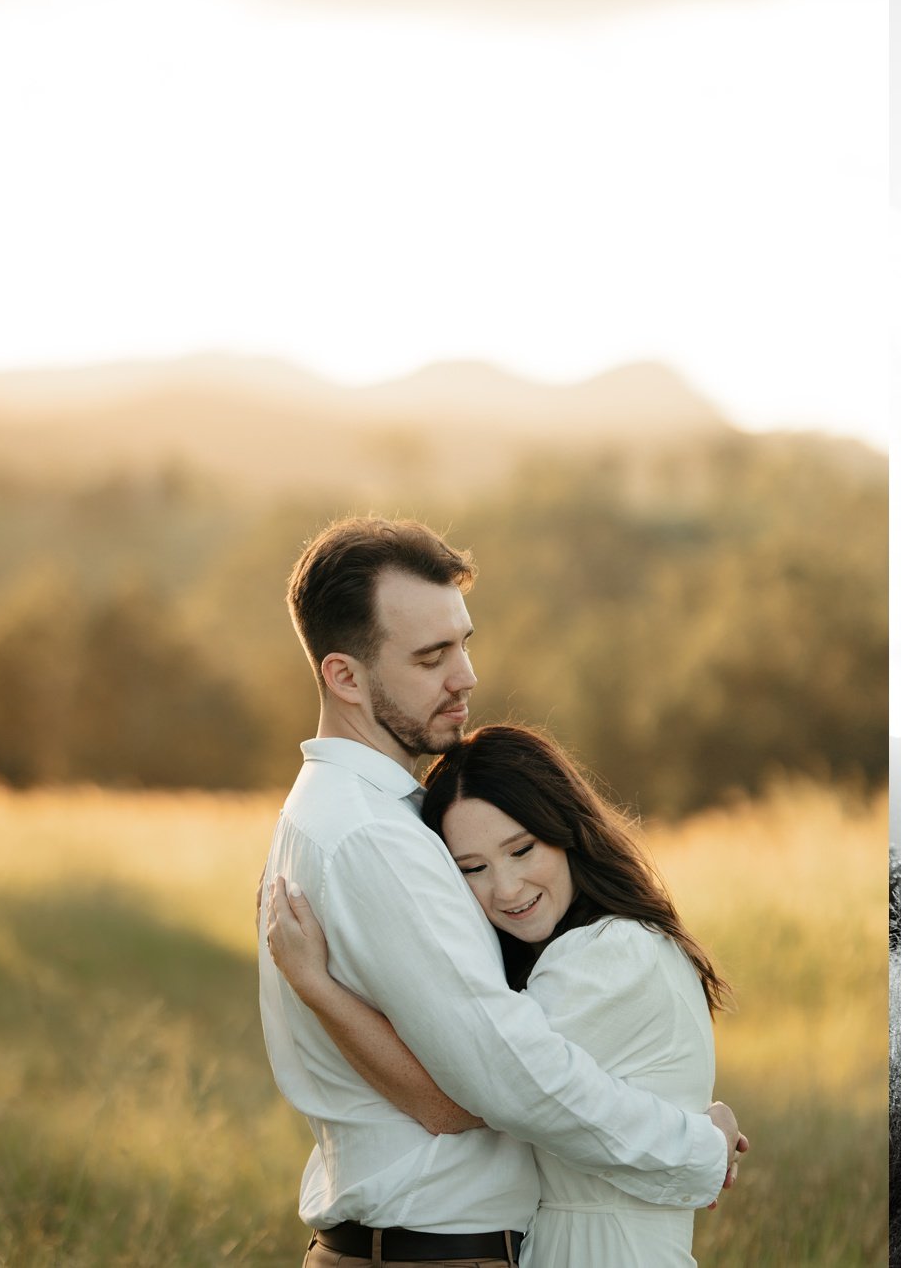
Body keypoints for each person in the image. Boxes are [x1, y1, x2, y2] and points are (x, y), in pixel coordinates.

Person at [257, 516, 744, 1267]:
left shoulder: (333, 814)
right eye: (430, 657)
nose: (465, 677)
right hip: (432, 1250)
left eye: (463, 643)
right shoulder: (375, 838)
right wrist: (696, 1145)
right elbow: (494, 1080)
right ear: (344, 676)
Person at [271, 723, 728, 1266]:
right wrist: (704, 1142)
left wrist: (318, 987)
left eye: (522, 850)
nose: (506, 889)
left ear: (567, 829)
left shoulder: (609, 952)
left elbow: (469, 1095)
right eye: (473, 869)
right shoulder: (583, 949)